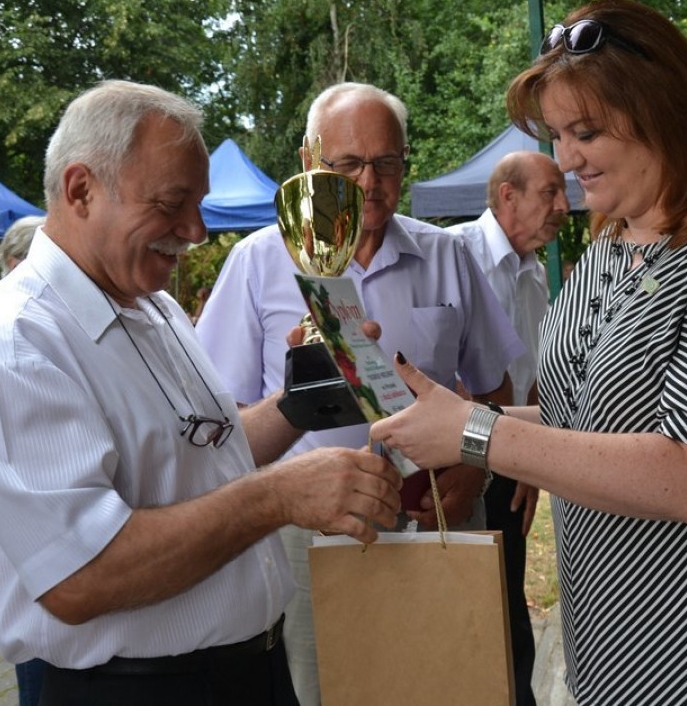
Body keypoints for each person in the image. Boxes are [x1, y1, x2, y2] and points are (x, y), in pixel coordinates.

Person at [369, 0, 687, 704]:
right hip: (622, 657)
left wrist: (474, 432)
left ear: (664, 110)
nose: (566, 157)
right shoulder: (614, 241)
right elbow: (582, 426)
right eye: (556, 134)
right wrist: (442, 417)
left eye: (585, 131)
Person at [0, 79, 402, 706]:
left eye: (199, 203)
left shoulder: (154, 307)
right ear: (80, 190)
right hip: (137, 690)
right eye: (174, 202)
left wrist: (304, 397)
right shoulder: (9, 345)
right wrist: (281, 496)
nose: (197, 229)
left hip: (249, 673)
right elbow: (81, 575)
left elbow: (211, 453)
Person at [197, 81, 523, 706]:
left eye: (386, 162)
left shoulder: (447, 254)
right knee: (327, 689)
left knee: (448, 683)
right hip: (310, 527)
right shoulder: (257, 261)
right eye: (347, 163)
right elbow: (226, 417)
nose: (368, 182)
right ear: (308, 164)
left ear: (405, 164)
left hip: (436, 510)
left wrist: (474, 474)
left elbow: (492, 387)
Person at [446, 150, 569, 706]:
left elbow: (538, 373)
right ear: (507, 197)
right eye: (551, 193)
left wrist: (533, 460)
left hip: (511, 458)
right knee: (471, 613)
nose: (564, 207)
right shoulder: (455, 255)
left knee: (507, 601)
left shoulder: (534, 271)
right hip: (459, 466)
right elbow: (445, 376)